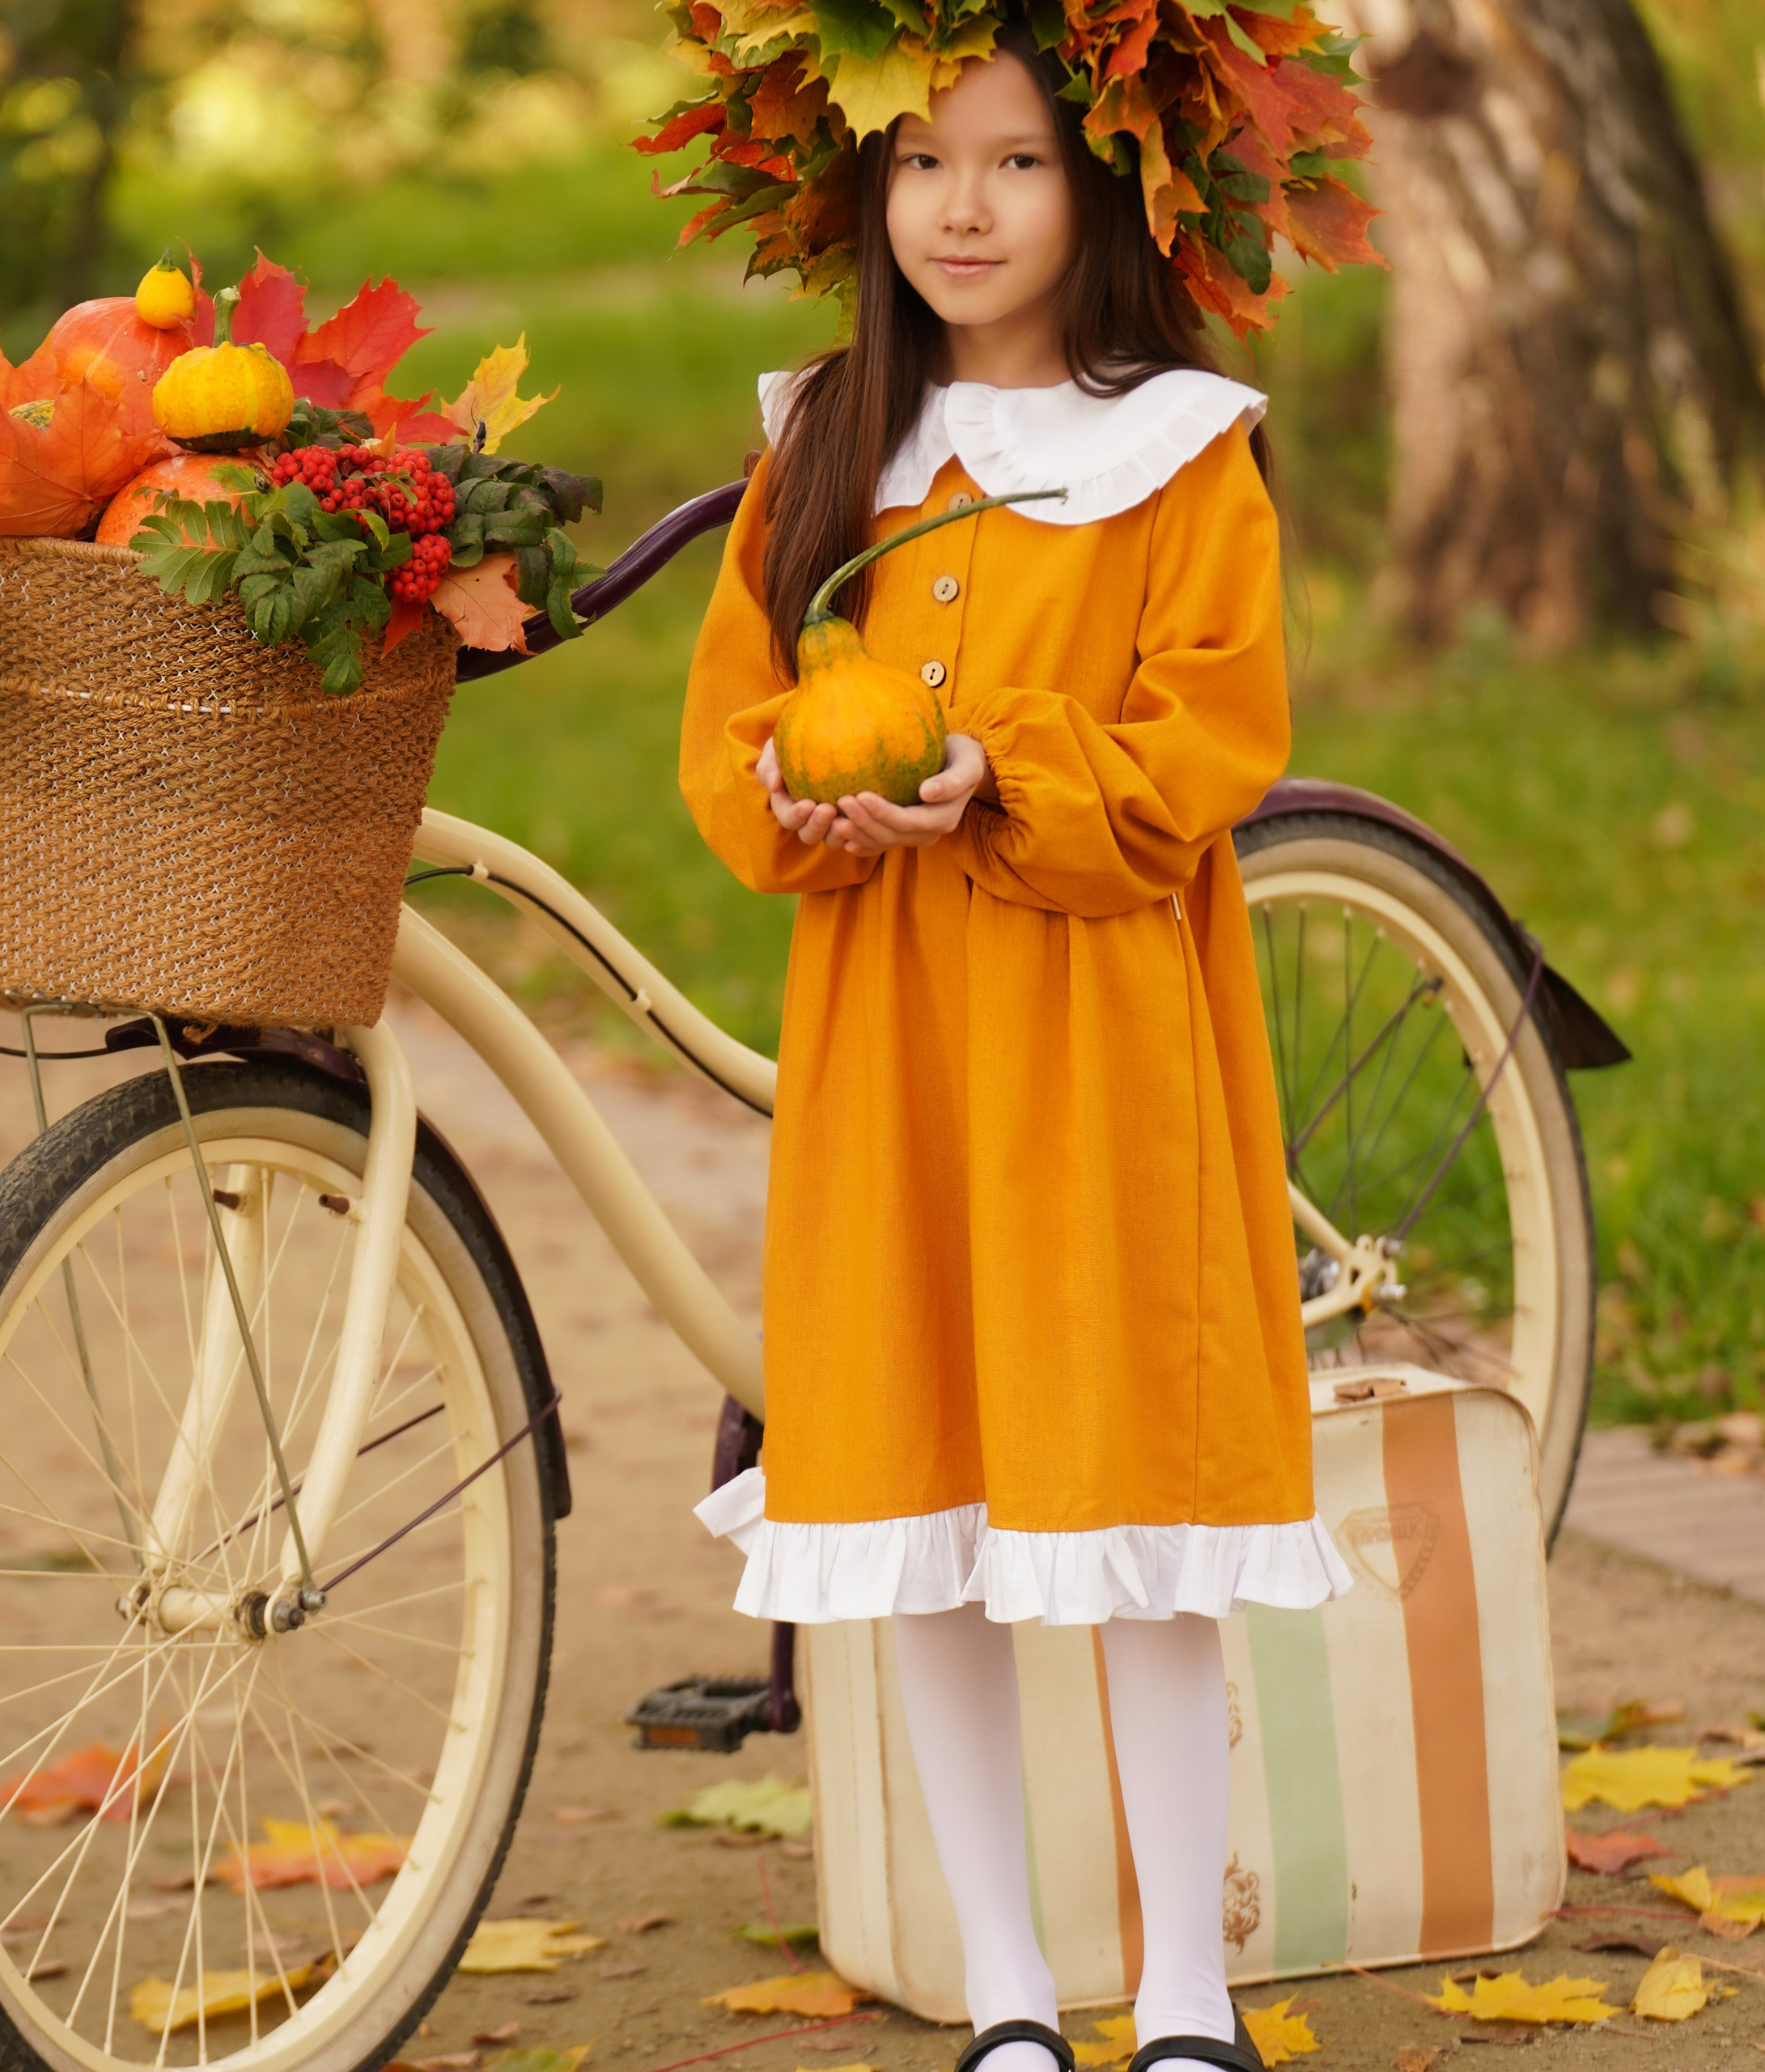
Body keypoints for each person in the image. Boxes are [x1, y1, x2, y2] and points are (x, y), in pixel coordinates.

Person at [677, 35, 1357, 2072]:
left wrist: (997, 769)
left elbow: (1204, 746)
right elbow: (732, 728)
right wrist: (790, 802)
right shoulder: (819, 452)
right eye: (917, 164)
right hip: (889, 1046)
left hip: (1103, 1037)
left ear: (1112, 191)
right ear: (863, 193)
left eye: (1014, 165)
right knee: (922, 1492)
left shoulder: (1174, 450)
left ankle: (1176, 1994)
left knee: (1133, 1495)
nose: (958, 210)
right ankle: (997, 1988)